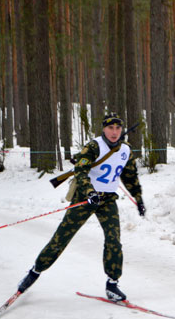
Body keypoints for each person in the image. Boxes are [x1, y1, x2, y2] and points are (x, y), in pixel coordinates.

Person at [17, 113, 145, 301]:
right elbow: (81, 171)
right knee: (62, 237)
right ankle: (35, 271)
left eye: (118, 128)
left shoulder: (126, 150)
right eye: (111, 128)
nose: (115, 132)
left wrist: (139, 198)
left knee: (114, 240)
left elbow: (130, 176)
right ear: (104, 129)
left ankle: (112, 284)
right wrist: (89, 192)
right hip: (85, 199)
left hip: (108, 200)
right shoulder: (94, 146)